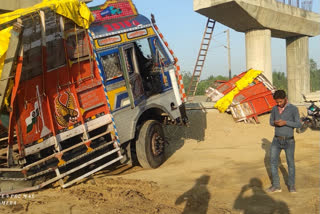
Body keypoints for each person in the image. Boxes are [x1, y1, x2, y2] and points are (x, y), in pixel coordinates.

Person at [267, 90, 301, 193]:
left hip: (289, 141)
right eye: (277, 102)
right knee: (273, 162)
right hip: (276, 140)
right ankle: (276, 186)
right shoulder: (274, 109)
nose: (278, 104)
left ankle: (291, 186)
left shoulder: (293, 109)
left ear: (285, 99)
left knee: (290, 163)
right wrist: (275, 123)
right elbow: (270, 122)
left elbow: (298, 124)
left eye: (280, 102)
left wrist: (285, 122)